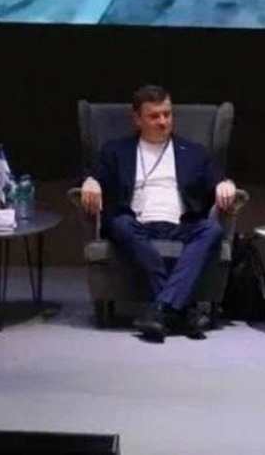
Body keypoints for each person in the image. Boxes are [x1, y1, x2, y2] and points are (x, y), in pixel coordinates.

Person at [79, 84, 238, 342]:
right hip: (136, 224)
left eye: (167, 114)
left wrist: (225, 184)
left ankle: (160, 310)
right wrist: (90, 181)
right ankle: (181, 311)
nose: (163, 121)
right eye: (154, 116)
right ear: (137, 119)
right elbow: (92, 174)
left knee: (212, 230)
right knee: (118, 224)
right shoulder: (117, 150)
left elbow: (217, 178)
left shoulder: (193, 152)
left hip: (180, 225)